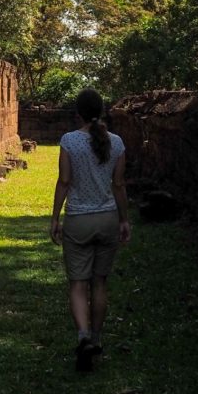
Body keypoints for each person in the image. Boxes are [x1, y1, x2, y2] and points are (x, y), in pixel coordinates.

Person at [49, 88, 130, 372]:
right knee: (99, 283)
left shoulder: (69, 141)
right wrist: (124, 220)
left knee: (78, 284)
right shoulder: (117, 143)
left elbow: (64, 181)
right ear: (103, 110)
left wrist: (55, 218)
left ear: (78, 113)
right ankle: (96, 338)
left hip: (79, 220)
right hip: (107, 218)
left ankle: (83, 336)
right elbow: (118, 185)